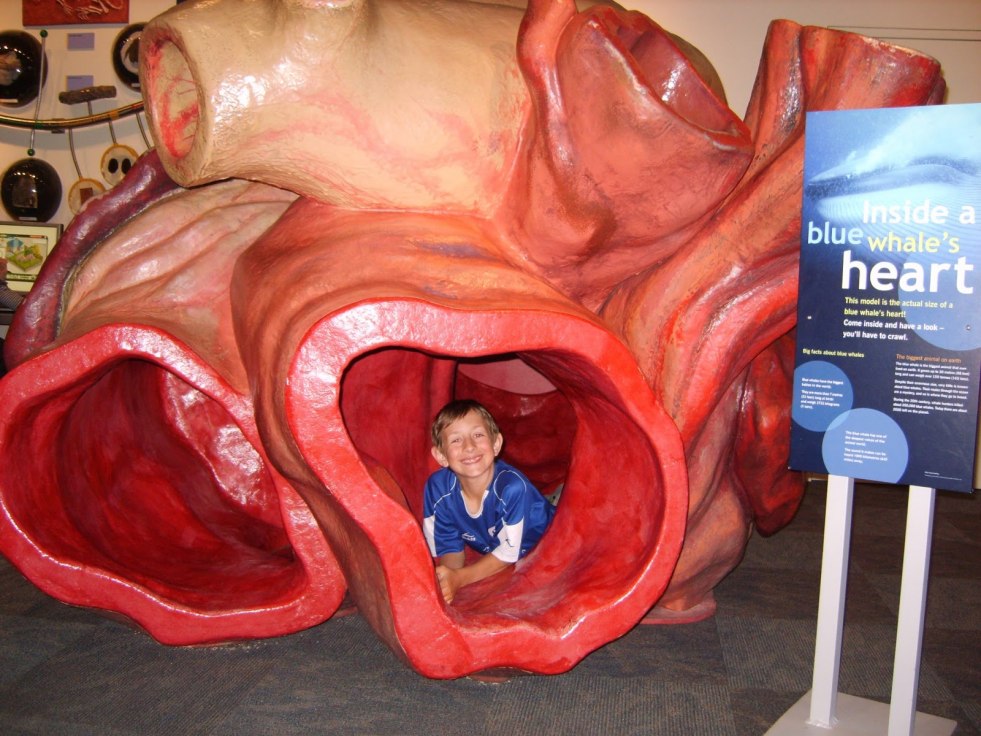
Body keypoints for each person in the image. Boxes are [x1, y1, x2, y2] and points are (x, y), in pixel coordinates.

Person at [423, 399, 555, 604]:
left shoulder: (512, 488)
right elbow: (448, 547)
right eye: (456, 440)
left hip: (548, 542)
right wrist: (448, 578)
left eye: (478, 435)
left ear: (496, 444)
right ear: (441, 456)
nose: (469, 446)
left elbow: (509, 553)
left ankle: (555, 495)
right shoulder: (438, 489)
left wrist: (460, 578)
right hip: (497, 548)